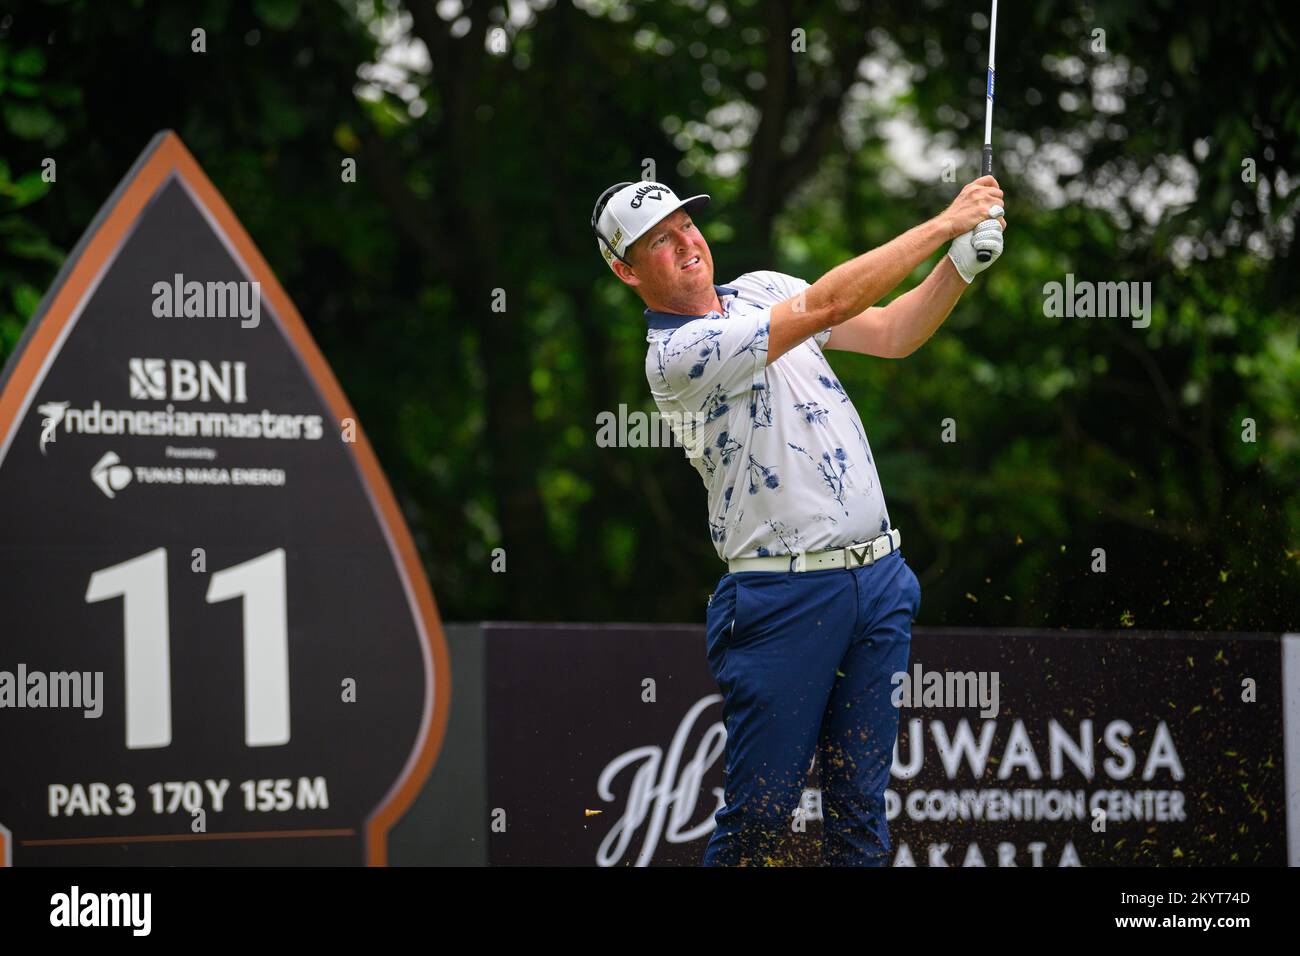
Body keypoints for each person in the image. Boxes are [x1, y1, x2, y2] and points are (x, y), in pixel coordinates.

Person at [591, 177, 1005, 865]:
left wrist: (957, 266)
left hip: (877, 582)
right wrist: (943, 224)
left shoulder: (759, 287)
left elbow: (896, 333)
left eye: (684, 225)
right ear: (626, 270)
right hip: (782, 600)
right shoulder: (676, 355)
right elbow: (827, 303)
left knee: (860, 814)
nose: (685, 242)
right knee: (758, 819)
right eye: (657, 242)